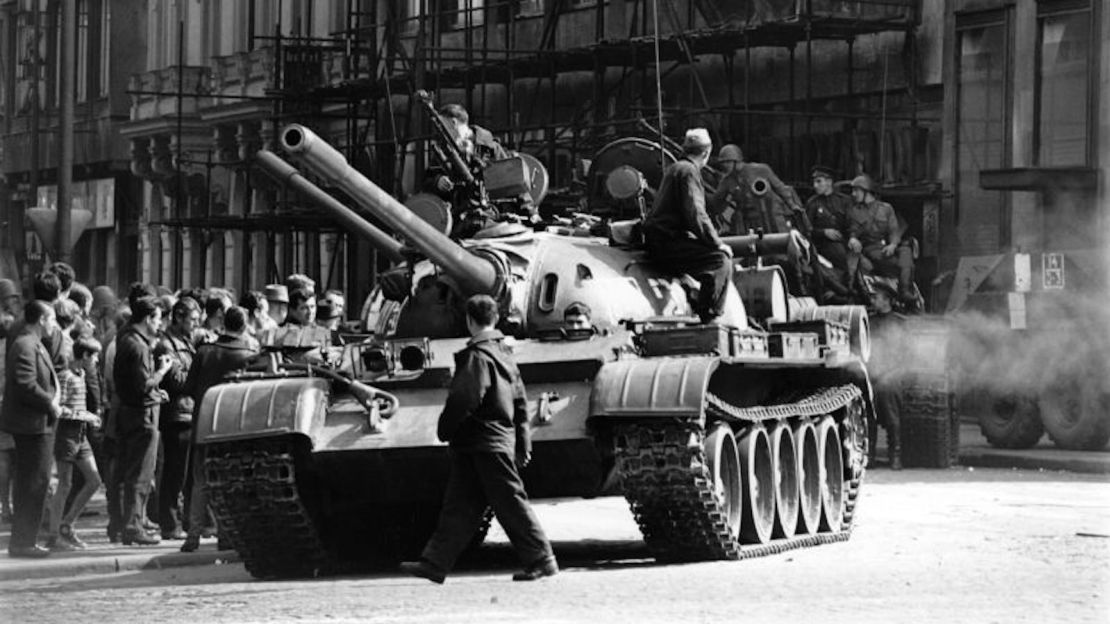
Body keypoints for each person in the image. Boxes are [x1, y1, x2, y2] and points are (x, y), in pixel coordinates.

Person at [401, 295, 556, 584]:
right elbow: (521, 400)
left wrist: (445, 428)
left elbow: (465, 397)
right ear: (495, 318)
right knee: (460, 505)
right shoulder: (504, 354)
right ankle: (435, 563)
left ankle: (541, 558)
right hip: (488, 441)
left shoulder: (478, 356)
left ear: (469, 321)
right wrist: (523, 441)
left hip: (483, 440)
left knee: (509, 501)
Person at [179, 306, 260, 553]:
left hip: (204, 421)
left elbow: (189, 387)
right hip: (235, 426)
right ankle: (226, 535)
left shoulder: (204, 352)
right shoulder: (248, 353)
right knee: (231, 482)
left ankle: (193, 536)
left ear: (224, 323)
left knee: (200, 482)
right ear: (245, 326)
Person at [641, 128, 733, 324]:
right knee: (720, 261)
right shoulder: (689, 171)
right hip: (668, 244)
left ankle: (695, 298)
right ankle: (708, 317)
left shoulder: (676, 168)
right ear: (706, 153)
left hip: (657, 241)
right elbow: (695, 213)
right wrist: (717, 243)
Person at [0, 301, 61, 558]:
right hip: (32, 425)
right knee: (33, 482)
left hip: (37, 424)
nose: (54, 324)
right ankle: (24, 542)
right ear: (40, 320)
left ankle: (25, 540)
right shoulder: (26, 344)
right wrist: (49, 402)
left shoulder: (33, 343)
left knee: (35, 481)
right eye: (52, 319)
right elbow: (25, 383)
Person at [113, 294, 173, 545]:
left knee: (137, 471)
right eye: (158, 319)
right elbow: (142, 385)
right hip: (142, 414)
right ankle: (133, 525)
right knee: (139, 473)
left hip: (133, 411)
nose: (160, 325)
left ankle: (136, 520)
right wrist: (162, 370)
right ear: (148, 318)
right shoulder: (137, 346)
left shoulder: (126, 338)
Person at [45, 336, 103, 550]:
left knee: (94, 480)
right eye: (94, 356)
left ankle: (67, 525)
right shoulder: (66, 376)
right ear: (85, 355)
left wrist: (86, 416)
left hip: (81, 435)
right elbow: (57, 409)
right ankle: (53, 535)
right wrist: (84, 415)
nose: (96, 361)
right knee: (65, 484)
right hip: (66, 435)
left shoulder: (81, 375)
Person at [153, 297, 200, 540]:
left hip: (189, 412)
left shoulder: (186, 342)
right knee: (174, 473)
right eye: (192, 319)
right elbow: (176, 380)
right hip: (176, 414)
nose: (195, 324)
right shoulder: (166, 346)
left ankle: (182, 521)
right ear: (179, 317)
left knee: (187, 474)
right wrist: (198, 375)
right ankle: (169, 524)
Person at [708, 144, 807, 236]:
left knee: (779, 245)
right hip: (749, 220)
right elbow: (716, 202)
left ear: (736, 160)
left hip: (771, 215)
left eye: (727, 162)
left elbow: (780, 188)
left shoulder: (761, 170)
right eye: (723, 163)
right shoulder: (727, 181)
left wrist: (793, 205)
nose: (724, 166)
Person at [847, 175, 916, 301]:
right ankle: (904, 292)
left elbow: (894, 231)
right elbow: (853, 231)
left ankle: (904, 291)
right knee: (905, 265)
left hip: (887, 247)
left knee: (906, 251)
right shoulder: (855, 211)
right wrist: (853, 238)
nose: (853, 194)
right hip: (871, 249)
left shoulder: (886, 208)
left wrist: (893, 245)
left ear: (866, 191)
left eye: (856, 190)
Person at [868, 281, 907, 470]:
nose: (873, 300)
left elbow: (906, 354)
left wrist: (889, 372)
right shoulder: (869, 322)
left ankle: (895, 455)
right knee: (867, 406)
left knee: (887, 395)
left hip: (893, 373)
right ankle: (870, 455)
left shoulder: (899, 323)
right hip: (872, 374)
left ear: (886, 300)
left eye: (876, 297)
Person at [805, 165, 853, 295]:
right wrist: (824, 233)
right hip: (822, 244)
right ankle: (843, 291)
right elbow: (806, 230)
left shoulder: (844, 201)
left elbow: (851, 223)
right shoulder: (812, 203)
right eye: (814, 182)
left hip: (844, 241)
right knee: (839, 255)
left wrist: (852, 238)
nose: (815, 185)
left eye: (819, 181)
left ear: (829, 182)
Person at [0, 278, 22, 524]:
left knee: (4, 456)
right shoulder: (14, 333)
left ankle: (4, 506)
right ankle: (12, 505)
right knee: (13, 456)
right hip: (11, 401)